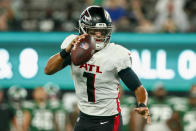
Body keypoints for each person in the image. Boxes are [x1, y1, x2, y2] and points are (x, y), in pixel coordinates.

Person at [45, 5, 151, 131]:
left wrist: (142, 104)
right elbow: (48, 70)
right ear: (83, 29)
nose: (99, 35)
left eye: (103, 31)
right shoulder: (74, 46)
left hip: (109, 119)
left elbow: (138, 87)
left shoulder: (116, 54)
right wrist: (66, 52)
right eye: (94, 31)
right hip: (84, 116)